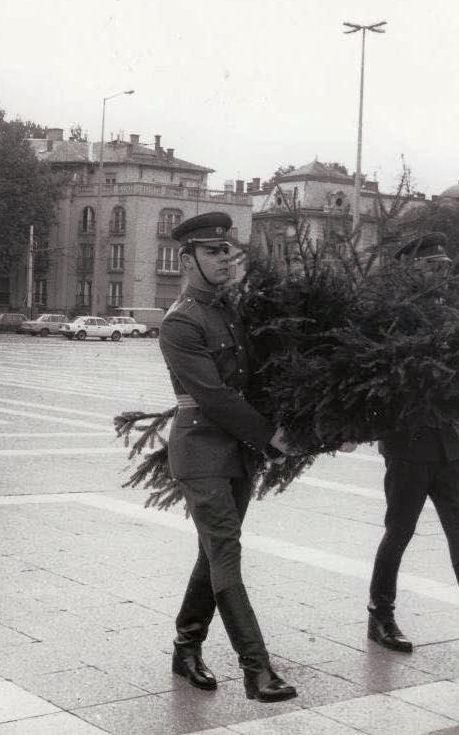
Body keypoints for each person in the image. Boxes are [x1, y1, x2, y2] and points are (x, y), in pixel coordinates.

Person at [159, 212, 296, 702]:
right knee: (226, 553)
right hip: (200, 452)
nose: (224, 259)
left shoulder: (229, 312)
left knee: (213, 552)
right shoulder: (180, 322)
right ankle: (257, 670)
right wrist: (269, 437)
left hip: (235, 453)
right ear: (187, 257)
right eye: (212, 252)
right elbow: (215, 397)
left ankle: (186, 647)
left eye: (226, 251)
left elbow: (253, 380)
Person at [367, 231, 459, 653]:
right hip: (407, 448)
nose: (442, 276)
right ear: (413, 271)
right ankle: (380, 617)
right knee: (399, 531)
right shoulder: (394, 321)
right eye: (433, 268)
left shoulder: (450, 318)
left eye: (445, 268)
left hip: (450, 447)